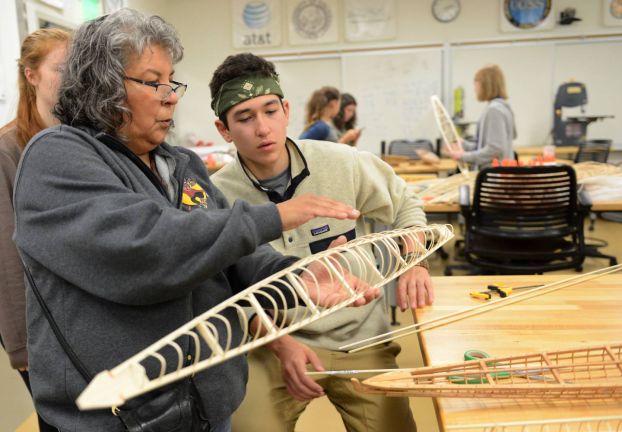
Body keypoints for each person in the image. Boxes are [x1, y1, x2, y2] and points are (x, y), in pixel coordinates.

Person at [12, 10, 378, 432]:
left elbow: (235, 258)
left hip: (205, 406)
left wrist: (300, 277)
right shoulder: (56, 157)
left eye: (172, 82)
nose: (171, 96)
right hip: (118, 420)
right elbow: (145, 251)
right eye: (154, 82)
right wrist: (271, 217)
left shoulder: (181, 164)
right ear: (103, 85)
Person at [210, 52, 432, 432]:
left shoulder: (344, 162)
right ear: (224, 130)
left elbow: (404, 203)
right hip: (273, 342)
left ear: (287, 110)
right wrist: (280, 344)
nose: (263, 128)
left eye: (270, 111)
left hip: (361, 336)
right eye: (245, 118)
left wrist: (416, 261)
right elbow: (223, 290)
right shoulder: (216, 195)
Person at [0, 27, 70, 432]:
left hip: (80, 315)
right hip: (36, 325)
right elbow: (6, 256)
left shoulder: (82, 140)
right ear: (32, 75)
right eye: (62, 69)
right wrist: (21, 345)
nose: (74, 78)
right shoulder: (8, 150)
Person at [448, 64, 516, 169]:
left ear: (486, 84)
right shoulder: (503, 107)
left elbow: (495, 150)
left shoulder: (494, 110)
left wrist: (463, 156)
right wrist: (464, 144)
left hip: (494, 178)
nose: (474, 88)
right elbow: (485, 146)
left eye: (476, 82)